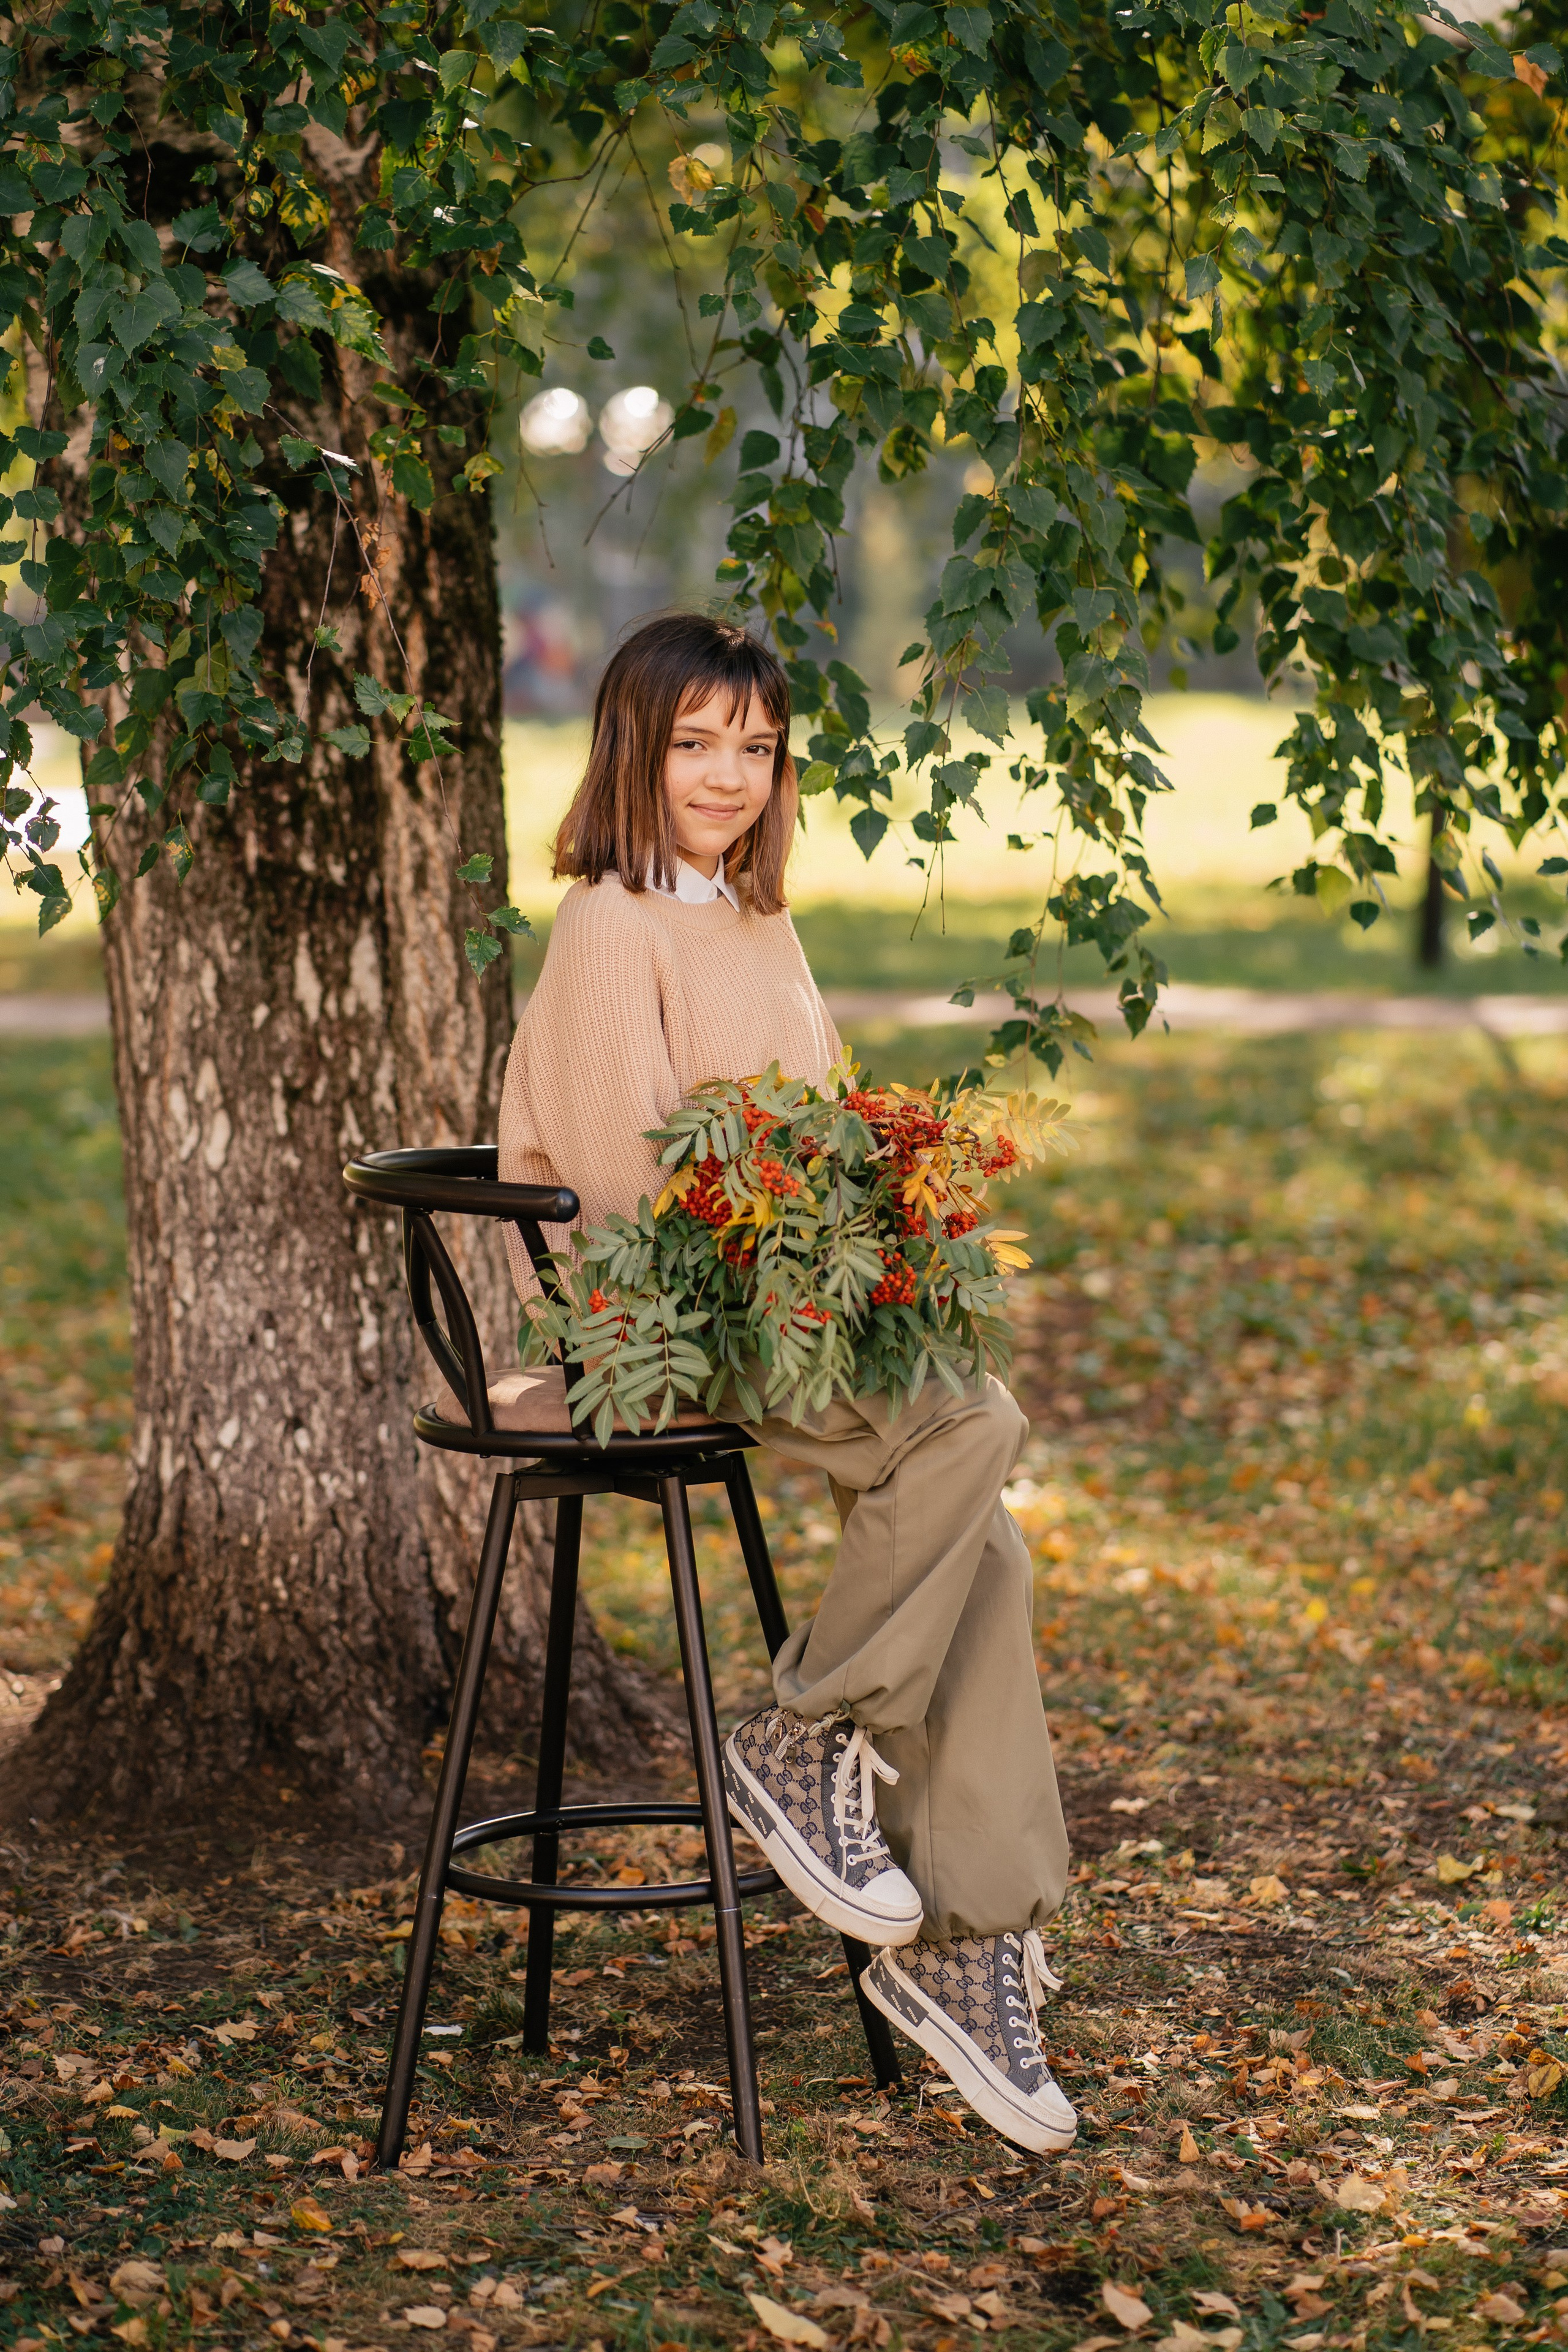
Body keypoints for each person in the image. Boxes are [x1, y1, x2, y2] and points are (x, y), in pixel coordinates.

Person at [498, 611, 1076, 2155]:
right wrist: (812, 1257)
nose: (728, 776)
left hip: (780, 1297)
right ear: (633, 745)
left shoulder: (759, 925)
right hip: (664, 1316)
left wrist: (887, 1226)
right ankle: (805, 1734)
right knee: (974, 1421)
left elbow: (817, 1121)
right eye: (696, 744)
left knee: (979, 1529)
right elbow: (633, 1188)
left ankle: (973, 1941)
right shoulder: (608, 927)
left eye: (754, 749)